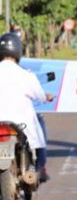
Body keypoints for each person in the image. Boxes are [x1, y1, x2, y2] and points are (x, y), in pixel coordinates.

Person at [0, 33, 53, 180]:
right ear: (18, 51)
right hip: (21, 124)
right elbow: (40, 96)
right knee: (39, 121)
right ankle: (40, 167)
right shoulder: (26, 75)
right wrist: (46, 96)